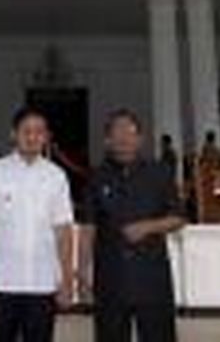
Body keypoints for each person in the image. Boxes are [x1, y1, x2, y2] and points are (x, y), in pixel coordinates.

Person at [79, 109, 186, 342]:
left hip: (152, 278)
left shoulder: (160, 172)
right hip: (110, 278)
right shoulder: (96, 177)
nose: (123, 139)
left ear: (140, 138)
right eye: (116, 133)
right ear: (107, 140)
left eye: (129, 133)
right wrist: (82, 271)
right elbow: (88, 228)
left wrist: (148, 227)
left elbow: (178, 216)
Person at [0, 106, 75, 342]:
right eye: (26, 130)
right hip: (0, 284)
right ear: (13, 134)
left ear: (47, 136)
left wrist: (67, 280)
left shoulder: (56, 176)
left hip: (43, 284)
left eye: (39, 131)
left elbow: (64, 231)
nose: (33, 137)